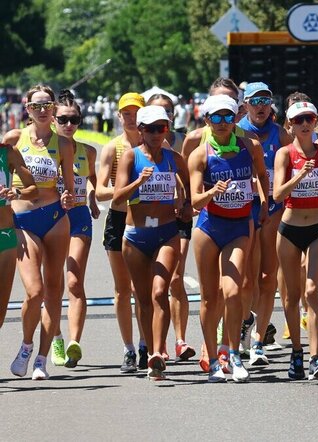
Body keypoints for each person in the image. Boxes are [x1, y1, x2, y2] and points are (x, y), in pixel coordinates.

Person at [189, 94, 268, 382]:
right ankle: (212, 359)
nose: (222, 123)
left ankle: (233, 353)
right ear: (207, 120)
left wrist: (263, 204)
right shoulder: (200, 154)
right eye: (216, 118)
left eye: (228, 117)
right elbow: (195, 201)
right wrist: (213, 192)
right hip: (209, 228)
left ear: (235, 118)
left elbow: (261, 175)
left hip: (239, 227)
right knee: (210, 298)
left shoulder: (251, 146)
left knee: (234, 292)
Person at [2, 84, 75, 380]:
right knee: (34, 291)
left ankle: (42, 359)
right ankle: (26, 345)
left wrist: (69, 197)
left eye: (47, 105)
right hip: (23, 220)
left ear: (54, 108)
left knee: (54, 290)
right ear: (27, 109)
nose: (42, 111)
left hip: (56, 217)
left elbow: (69, 186)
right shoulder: (14, 139)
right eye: (36, 106)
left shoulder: (64, 144)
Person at [112, 105, 190, 381]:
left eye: (163, 128)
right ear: (141, 131)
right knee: (143, 299)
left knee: (160, 292)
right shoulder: (131, 158)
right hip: (135, 235)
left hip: (167, 233)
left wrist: (184, 207)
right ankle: (148, 353)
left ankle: (159, 351)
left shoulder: (174, 159)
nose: (157, 134)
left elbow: (189, 197)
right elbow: (117, 199)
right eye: (151, 129)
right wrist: (138, 182)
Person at [273, 101, 318, 381]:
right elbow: (278, 195)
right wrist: (300, 175)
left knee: (312, 290)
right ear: (289, 125)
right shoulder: (285, 154)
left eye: (310, 118)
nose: (305, 124)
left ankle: (316, 357)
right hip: (289, 229)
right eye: (299, 119)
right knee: (291, 296)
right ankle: (297, 352)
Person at [237, 82, 293, 362]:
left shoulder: (280, 134)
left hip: (273, 208)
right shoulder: (238, 132)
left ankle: (258, 339)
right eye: (255, 101)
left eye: (265, 101)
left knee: (268, 276)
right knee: (247, 279)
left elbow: (295, 164)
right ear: (245, 104)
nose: (260, 106)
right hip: (244, 208)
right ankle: (244, 320)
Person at [96, 92, 147, 373]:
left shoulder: (152, 144)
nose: (132, 117)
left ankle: (144, 344)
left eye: (136, 112)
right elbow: (102, 190)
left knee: (145, 290)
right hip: (118, 219)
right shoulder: (112, 148)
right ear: (119, 116)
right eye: (126, 113)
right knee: (122, 289)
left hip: (147, 220)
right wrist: (126, 190)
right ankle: (128, 347)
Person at [51, 90, 100, 368]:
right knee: (53, 284)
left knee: (74, 281)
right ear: (54, 120)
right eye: (64, 119)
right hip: (50, 216)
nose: (69, 125)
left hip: (79, 214)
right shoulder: (45, 149)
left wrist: (92, 196)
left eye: (75, 120)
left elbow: (92, 178)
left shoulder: (88, 151)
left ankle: (73, 342)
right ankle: (55, 337)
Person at [146, 93, 195, 362]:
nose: (160, 121)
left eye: (166, 114)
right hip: (150, 218)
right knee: (157, 285)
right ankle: (159, 343)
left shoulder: (182, 142)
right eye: (155, 114)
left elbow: (191, 177)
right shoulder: (141, 145)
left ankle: (180, 339)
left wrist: (187, 200)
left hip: (179, 216)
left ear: (172, 118)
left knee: (176, 277)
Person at [0, 143, 37, 351]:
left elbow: (33, 189)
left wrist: (16, 192)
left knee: (1, 312)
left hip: (5, 236)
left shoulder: (8, 153)